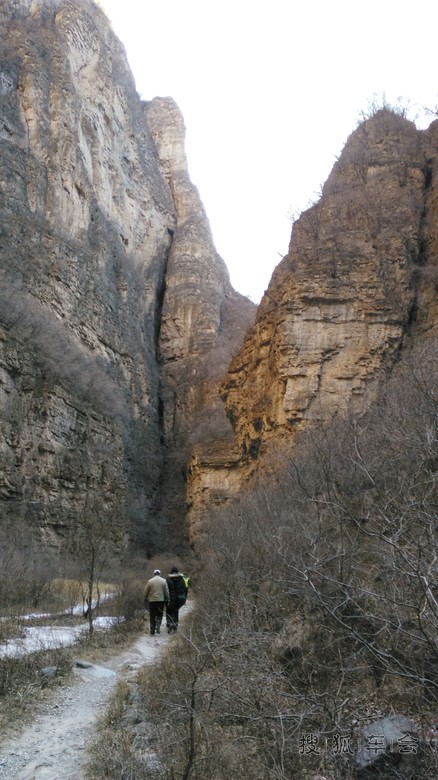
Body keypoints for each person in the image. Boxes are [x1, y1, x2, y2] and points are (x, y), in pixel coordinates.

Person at [144, 569, 169, 636]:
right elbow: (166, 591)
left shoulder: (150, 581)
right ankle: (158, 625)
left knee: (152, 615)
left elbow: (146, 591)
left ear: (154, 574)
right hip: (161, 600)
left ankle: (152, 631)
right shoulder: (164, 581)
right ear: (159, 574)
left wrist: (145, 598)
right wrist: (167, 599)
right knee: (160, 614)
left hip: (152, 601)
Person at [166, 566, 188, 633]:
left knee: (169, 611)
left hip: (170, 598)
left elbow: (165, 589)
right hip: (179, 599)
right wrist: (184, 597)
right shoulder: (181, 579)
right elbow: (185, 589)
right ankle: (175, 626)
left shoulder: (168, 579)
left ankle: (170, 623)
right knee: (176, 611)